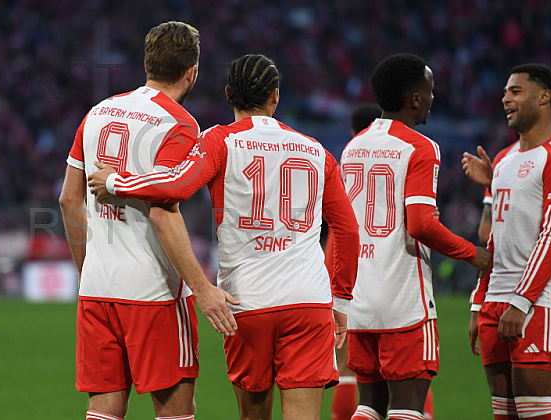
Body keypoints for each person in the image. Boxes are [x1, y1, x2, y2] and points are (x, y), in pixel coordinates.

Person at [88, 54, 361, 420]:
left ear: (229, 94)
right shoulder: (318, 152)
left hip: (246, 303)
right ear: (275, 97)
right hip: (308, 301)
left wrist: (114, 181)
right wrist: (341, 300)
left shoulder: (218, 141)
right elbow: (346, 229)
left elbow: (174, 186)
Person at [58, 20, 236, 420]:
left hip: (98, 289)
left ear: (147, 65)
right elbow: (163, 210)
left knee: (103, 408)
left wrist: (88, 271)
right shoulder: (180, 124)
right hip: (153, 291)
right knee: (175, 409)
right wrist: (202, 287)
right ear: (192, 72)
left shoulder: (97, 112)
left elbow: (70, 198)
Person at [341, 53, 491, 420]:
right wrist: (473, 253)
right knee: (409, 408)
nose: (433, 98)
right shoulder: (420, 147)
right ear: (415, 100)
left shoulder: (352, 146)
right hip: (402, 297)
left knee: (367, 406)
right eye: (430, 91)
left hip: (360, 295)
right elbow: (421, 225)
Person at [465, 59, 551, 420]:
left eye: (515, 91)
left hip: (539, 302)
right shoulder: (505, 159)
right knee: (506, 415)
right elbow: (496, 239)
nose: (505, 98)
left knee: (538, 413)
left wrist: (521, 301)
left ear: (544, 97)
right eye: (505, 92)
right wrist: (480, 303)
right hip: (497, 303)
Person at [326, 103, 436, 420]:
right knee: (409, 382)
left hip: (354, 282)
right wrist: (471, 253)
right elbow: (421, 223)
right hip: (399, 284)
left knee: (359, 384)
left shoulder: (350, 155)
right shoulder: (409, 153)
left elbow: (340, 231)